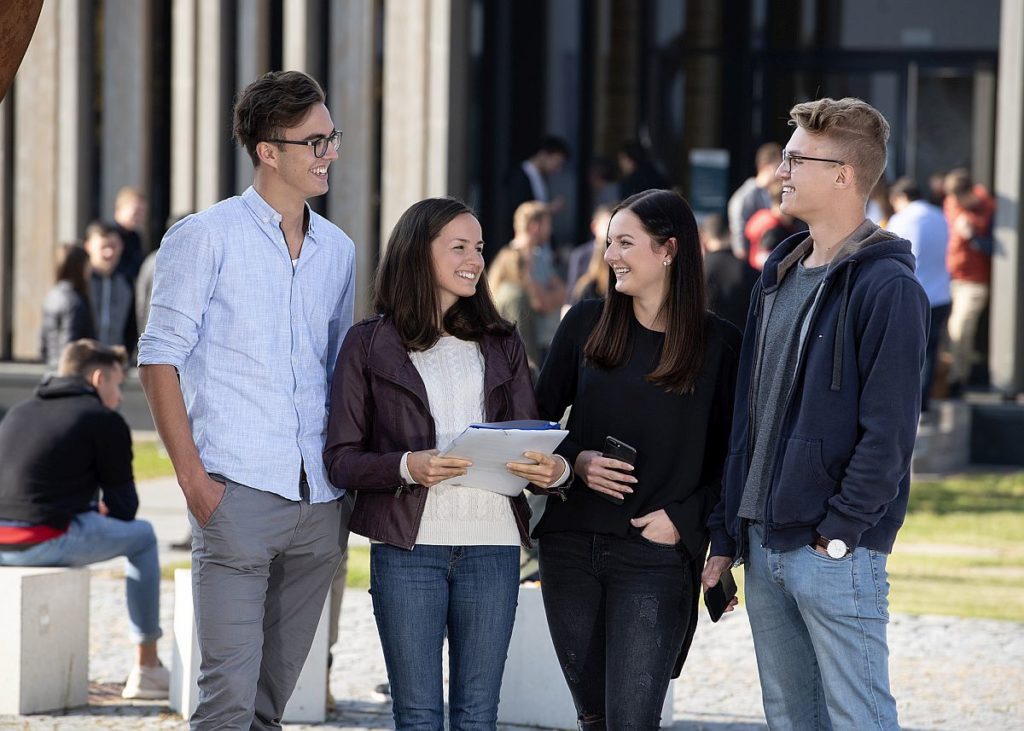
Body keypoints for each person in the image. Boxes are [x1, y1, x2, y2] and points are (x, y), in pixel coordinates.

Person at [137, 70, 354, 730]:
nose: (330, 153)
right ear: (268, 149)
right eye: (315, 141)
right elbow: (158, 359)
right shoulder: (205, 236)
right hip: (236, 494)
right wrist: (194, 481)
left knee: (271, 701)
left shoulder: (338, 250)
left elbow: (340, 369)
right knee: (226, 697)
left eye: (331, 138)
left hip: (319, 503)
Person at [703, 97, 929, 731]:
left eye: (798, 158)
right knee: (790, 719)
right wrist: (727, 531)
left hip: (833, 548)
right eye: (785, 155)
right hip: (762, 538)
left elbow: (889, 434)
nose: (782, 170)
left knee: (859, 719)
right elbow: (749, 418)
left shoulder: (889, 288)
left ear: (843, 175)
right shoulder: (777, 276)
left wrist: (841, 532)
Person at [323, 197, 570, 730]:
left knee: (478, 715)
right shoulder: (368, 344)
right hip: (409, 549)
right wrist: (407, 467)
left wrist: (554, 471)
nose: (475, 260)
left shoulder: (502, 341)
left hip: (495, 545)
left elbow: (531, 438)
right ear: (417, 253)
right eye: (459, 247)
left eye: (478, 248)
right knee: (416, 715)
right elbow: (341, 460)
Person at [533, 189, 741, 729]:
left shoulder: (721, 347)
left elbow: (736, 458)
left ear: (669, 249)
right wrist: (576, 461)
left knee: (632, 721)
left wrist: (685, 521)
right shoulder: (583, 324)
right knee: (595, 720)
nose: (609, 256)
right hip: (570, 548)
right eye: (609, 243)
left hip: (655, 557)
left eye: (625, 243)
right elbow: (532, 424)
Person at [0, 339, 169, 700]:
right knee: (144, 538)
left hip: (3, 540)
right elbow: (125, 509)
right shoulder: (103, 420)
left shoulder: (20, 411)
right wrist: (98, 507)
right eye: (118, 384)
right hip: (40, 539)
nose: (120, 396)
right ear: (97, 378)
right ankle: (148, 667)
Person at [888, 176, 951, 414]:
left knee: (906, 353)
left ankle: (906, 405)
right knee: (930, 351)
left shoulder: (902, 219)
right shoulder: (940, 216)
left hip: (913, 294)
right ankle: (923, 403)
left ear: (900, 198)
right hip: (941, 293)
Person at [488, 201, 565, 367]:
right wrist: (549, 297)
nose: (550, 231)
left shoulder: (540, 257)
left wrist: (548, 297)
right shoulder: (513, 260)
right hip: (529, 350)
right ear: (534, 226)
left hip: (544, 344)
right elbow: (538, 303)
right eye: (547, 224)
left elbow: (561, 292)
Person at [942, 168, 995, 396]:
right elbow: (954, 213)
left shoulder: (986, 206)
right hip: (951, 278)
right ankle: (953, 377)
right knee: (949, 332)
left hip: (974, 280)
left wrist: (973, 229)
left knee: (960, 328)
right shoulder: (954, 204)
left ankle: (958, 379)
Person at [499, 135, 571, 245]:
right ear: (544, 154)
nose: (556, 168)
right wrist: (549, 209)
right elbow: (519, 209)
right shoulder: (519, 177)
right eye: (557, 163)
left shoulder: (541, 178)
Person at [700, 213, 758, 332]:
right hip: (738, 343)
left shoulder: (696, 270)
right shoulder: (746, 269)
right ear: (730, 233)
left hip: (701, 342)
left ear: (704, 237)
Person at [40, 243, 94, 369]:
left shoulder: (51, 296)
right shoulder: (75, 301)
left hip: (51, 368)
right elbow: (70, 347)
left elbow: (42, 344)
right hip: (71, 373)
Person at [84, 220, 134, 350]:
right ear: (88, 246)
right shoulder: (80, 282)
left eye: (113, 246)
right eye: (103, 247)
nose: (109, 253)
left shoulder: (127, 284)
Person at [727, 142, 783, 259]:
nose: (782, 171)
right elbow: (739, 235)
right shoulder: (746, 195)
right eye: (778, 165)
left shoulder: (771, 193)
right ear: (765, 166)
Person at [564, 205, 613, 306]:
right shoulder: (581, 255)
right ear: (594, 226)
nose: (610, 230)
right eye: (607, 224)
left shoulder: (622, 253)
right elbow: (572, 295)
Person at [113, 186, 149, 282]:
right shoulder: (110, 236)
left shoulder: (135, 237)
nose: (140, 216)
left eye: (143, 212)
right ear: (119, 210)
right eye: (136, 211)